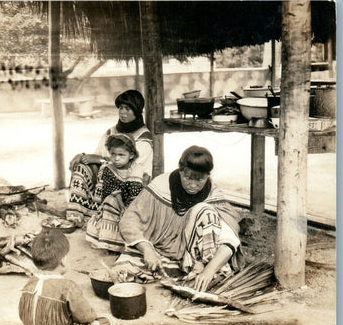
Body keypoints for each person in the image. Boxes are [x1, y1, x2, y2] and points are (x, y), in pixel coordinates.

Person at [117, 145, 244, 292]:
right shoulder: (161, 185)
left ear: (208, 176)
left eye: (200, 179)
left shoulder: (213, 194)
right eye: (187, 177)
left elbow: (229, 237)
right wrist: (147, 250)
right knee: (124, 270)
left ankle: (201, 271)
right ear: (180, 170)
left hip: (195, 258)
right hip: (160, 250)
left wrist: (209, 271)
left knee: (205, 210)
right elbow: (130, 219)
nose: (193, 184)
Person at [66, 89, 153, 227]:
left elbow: (131, 167)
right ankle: (77, 214)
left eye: (128, 109)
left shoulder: (143, 138)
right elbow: (96, 156)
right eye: (121, 108)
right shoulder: (111, 131)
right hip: (105, 178)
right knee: (81, 166)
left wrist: (101, 160)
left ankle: (98, 215)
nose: (123, 112)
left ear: (137, 111)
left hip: (129, 183)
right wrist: (83, 157)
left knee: (106, 169)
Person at [18, 229, 113, 325]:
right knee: (106, 322)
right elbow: (86, 317)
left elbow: (22, 315)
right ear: (63, 260)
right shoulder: (68, 287)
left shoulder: (29, 283)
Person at [85, 133, 145, 252]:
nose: (116, 158)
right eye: (113, 154)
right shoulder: (108, 169)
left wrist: (128, 209)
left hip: (133, 201)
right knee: (110, 202)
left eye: (121, 155)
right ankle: (111, 242)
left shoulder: (136, 169)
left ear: (131, 155)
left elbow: (135, 191)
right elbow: (112, 191)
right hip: (115, 201)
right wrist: (122, 207)